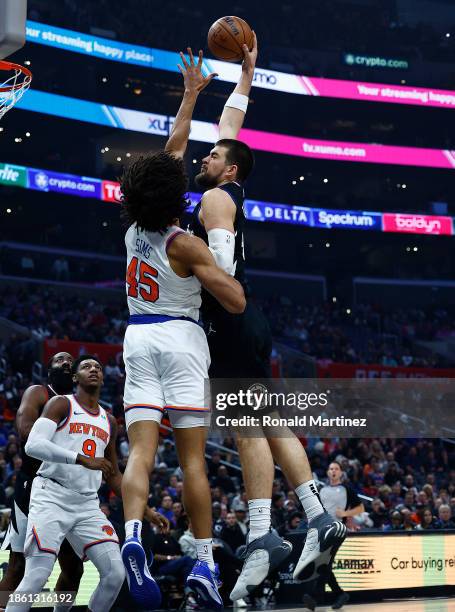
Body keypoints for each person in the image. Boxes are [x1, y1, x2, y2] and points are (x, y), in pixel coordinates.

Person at [183, 32, 346, 599]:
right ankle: (310, 515)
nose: (206, 153)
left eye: (214, 156)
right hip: (243, 322)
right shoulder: (219, 184)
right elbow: (231, 124)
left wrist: (203, 282)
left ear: (229, 172)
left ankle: (265, 532)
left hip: (229, 315)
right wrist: (246, 73)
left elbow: (221, 268)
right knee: (265, 419)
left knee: (249, 425)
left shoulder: (215, 199)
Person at [118, 47, 246, 609]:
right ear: (178, 199)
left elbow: (169, 158)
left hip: (136, 337)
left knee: (140, 454)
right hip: (181, 338)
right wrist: (222, 259)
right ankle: (203, 564)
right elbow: (236, 302)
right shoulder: (186, 243)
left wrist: (191, 96)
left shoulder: (131, 231)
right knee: (193, 460)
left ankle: (131, 539)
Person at [6, 355, 167, 612]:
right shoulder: (60, 404)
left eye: (98, 367)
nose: (93, 369)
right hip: (51, 495)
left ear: (103, 378)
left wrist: (144, 509)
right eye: (86, 366)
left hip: (86, 504)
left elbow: (113, 474)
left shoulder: (109, 420)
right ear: (75, 378)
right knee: (35, 574)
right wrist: (81, 459)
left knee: (115, 573)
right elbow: (33, 445)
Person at [0, 352, 85, 611]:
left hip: (69, 490)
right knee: (19, 565)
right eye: (60, 360)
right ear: (50, 371)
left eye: (70, 360)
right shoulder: (39, 393)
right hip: (33, 485)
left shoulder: (82, 407)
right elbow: (26, 433)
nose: (66, 363)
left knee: (73, 568)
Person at [318, 462, 365, 609]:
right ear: (327, 472)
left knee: (325, 563)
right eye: (331, 468)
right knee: (323, 565)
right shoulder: (322, 490)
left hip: (338, 530)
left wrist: (345, 513)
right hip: (322, 531)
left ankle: (314, 595)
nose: (333, 471)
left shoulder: (347, 489)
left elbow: (361, 508)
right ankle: (340, 594)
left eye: (336, 469)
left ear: (341, 473)